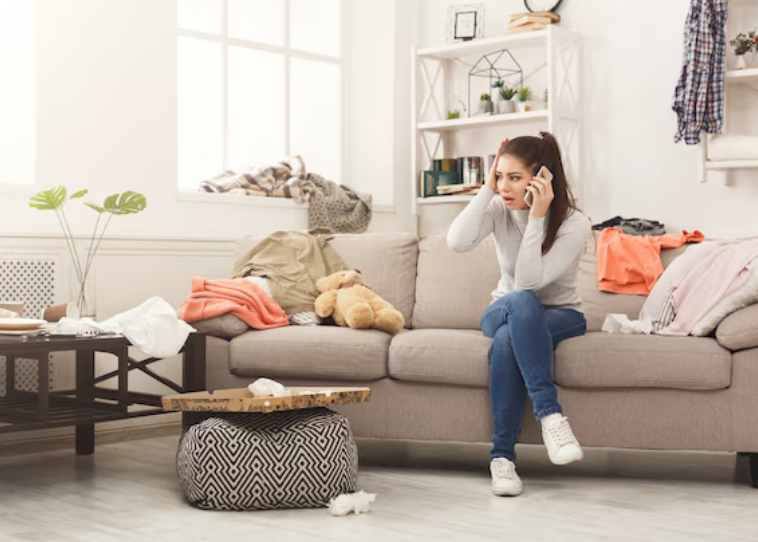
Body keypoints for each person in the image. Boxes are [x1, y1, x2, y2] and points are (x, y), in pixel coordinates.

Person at [447, 132, 591, 497]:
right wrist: (485, 188)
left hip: (561, 315)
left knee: (510, 337)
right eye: (500, 176)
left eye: (514, 177)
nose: (504, 187)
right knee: (521, 305)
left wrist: (538, 216)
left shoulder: (575, 223)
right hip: (504, 308)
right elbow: (457, 242)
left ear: (542, 179)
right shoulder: (498, 207)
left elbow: (530, 280)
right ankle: (551, 417)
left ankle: (502, 459)